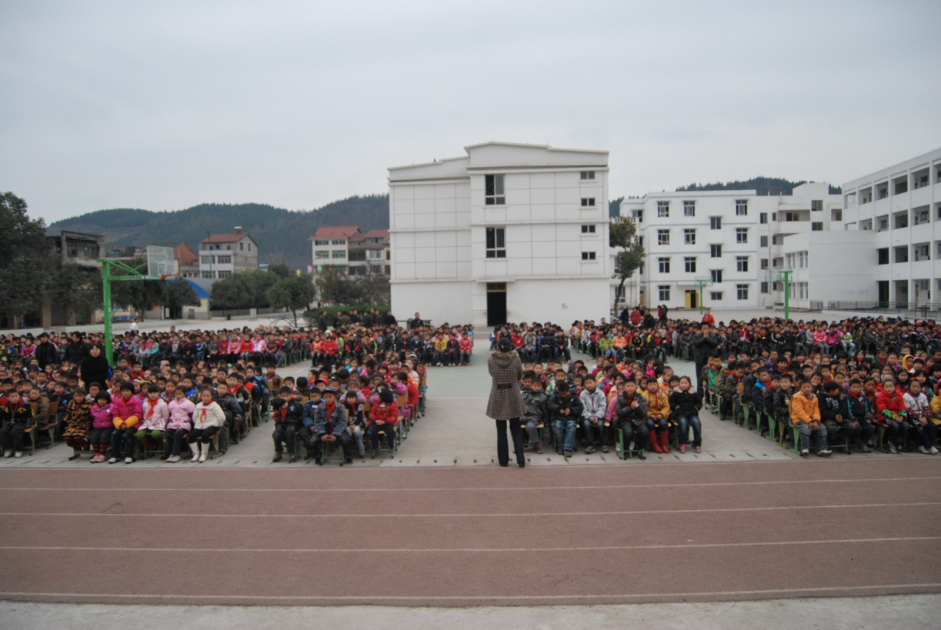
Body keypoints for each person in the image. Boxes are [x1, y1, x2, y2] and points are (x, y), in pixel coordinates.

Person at [486, 336, 526, 467]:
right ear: (510, 347)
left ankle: (503, 461)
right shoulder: (516, 358)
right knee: (516, 428)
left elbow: (492, 373)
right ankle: (520, 458)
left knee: (501, 430)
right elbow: (520, 374)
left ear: (498, 347)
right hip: (513, 392)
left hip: (498, 393)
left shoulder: (491, 359)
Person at [790, 379, 830, 457]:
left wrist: (815, 421)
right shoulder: (796, 397)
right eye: (804, 387)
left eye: (808, 387)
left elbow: (816, 411)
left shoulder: (815, 398)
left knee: (822, 428)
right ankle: (804, 448)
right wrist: (809, 421)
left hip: (812, 420)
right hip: (799, 419)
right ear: (800, 388)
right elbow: (799, 412)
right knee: (805, 428)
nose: (807, 389)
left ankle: (822, 449)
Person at [109, 383, 143, 464]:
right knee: (115, 434)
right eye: (123, 391)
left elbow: (137, 415)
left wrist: (127, 424)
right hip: (120, 424)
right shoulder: (117, 402)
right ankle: (115, 455)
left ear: (131, 391)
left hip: (133, 424)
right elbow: (115, 414)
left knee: (128, 434)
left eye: (127, 391)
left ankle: (129, 455)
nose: (125, 393)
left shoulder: (136, 402)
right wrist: (120, 424)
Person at [190, 388, 225, 463]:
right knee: (191, 435)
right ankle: (196, 453)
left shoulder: (214, 405)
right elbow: (195, 417)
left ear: (211, 396)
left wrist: (219, 425)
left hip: (212, 425)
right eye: (204, 396)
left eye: (208, 396)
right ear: (201, 396)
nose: (205, 398)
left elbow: (221, 416)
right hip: (200, 425)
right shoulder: (198, 406)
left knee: (205, 435)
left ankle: (204, 454)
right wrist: (197, 424)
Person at [670, 376, 702, 453]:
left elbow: (699, 402)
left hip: (692, 413)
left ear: (689, 384)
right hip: (680, 413)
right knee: (684, 423)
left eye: (686, 383)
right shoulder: (676, 393)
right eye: (682, 383)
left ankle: (697, 443)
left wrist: (696, 408)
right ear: (679, 384)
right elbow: (670, 402)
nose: (683, 385)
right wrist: (676, 407)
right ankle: (682, 443)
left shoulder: (693, 393)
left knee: (697, 423)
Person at [164, 387, 194, 462]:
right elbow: (170, 412)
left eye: (180, 394)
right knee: (166, 434)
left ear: (184, 394)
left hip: (184, 425)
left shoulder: (189, 403)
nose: (178, 395)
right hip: (173, 424)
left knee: (177, 434)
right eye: (176, 394)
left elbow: (191, 415)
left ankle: (176, 454)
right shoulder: (171, 403)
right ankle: (169, 453)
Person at [579, 374, 608, 454]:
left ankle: (603, 444)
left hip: (599, 415)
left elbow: (603, 406)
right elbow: (583, 408)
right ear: (584, 384)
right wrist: (590, 417)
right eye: (587, 383)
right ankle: (590, 445)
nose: (589, 385)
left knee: (600, 425)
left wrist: (597, 416)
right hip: (587, 415)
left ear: (595, 382)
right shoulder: (583, 394)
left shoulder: (601, 393)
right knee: (587, 424)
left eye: (590, 382)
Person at [1, 390, 34, 458]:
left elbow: (30, 416)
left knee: (15, 431)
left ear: (19, 396)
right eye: (12, 397)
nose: (15, 398)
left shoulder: (25, 406)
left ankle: (18, 449)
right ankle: (8, 449)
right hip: (9, 422)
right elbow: (3, 416)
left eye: (16, 396)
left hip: (21, 422)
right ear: (8, 398)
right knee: (3, 431)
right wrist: (5, 421)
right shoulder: (7, 406)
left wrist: (27, 423)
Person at [88, 391, 114, 463]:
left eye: (104, 400)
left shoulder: (111, 407)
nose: (102, 401)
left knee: (103, 438)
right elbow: (92, 417)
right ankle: (96, 454)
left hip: (108, 427)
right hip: (97, 427)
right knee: (93, 437)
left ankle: (103, 454)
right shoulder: (93, 408)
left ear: (107, 400)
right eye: (100, 399)